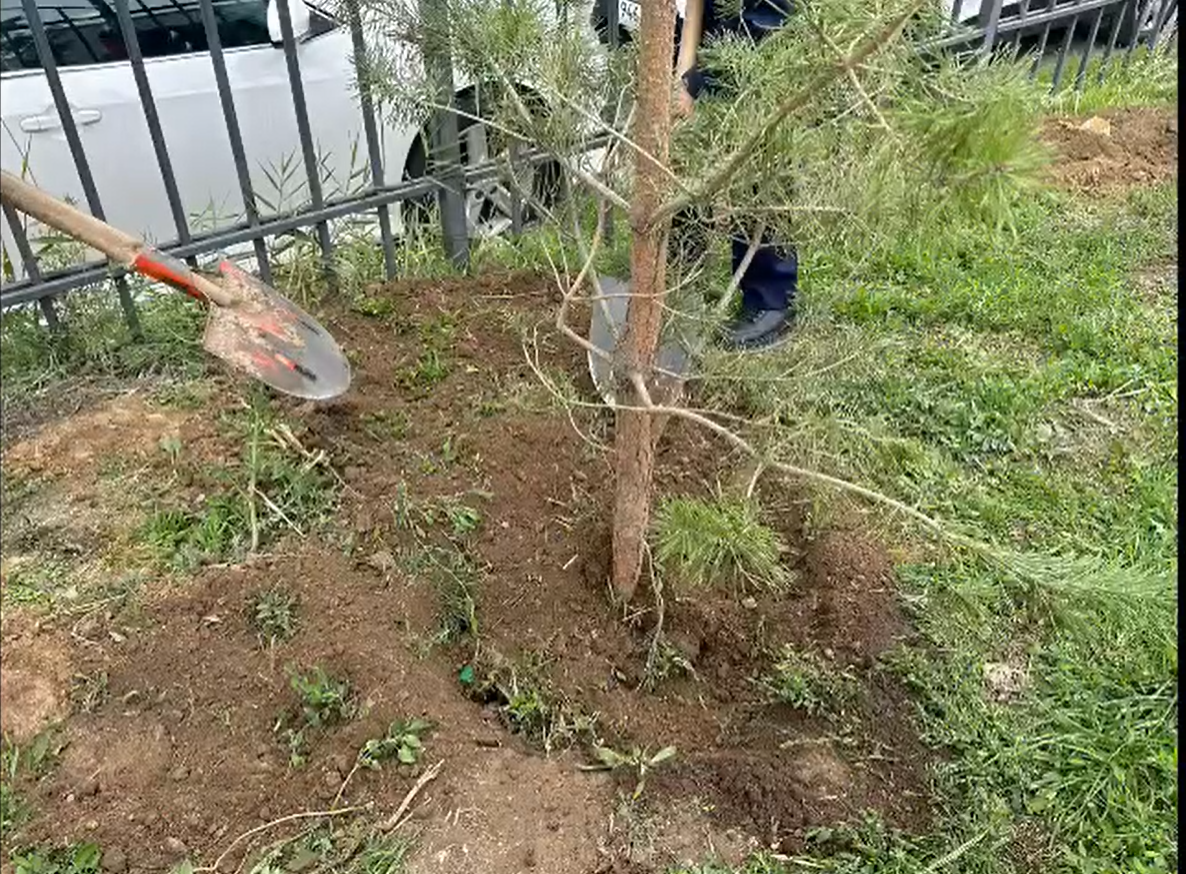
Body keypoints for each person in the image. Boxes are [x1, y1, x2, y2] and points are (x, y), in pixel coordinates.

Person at [672, 0, 799, 351]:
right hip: (715, 24)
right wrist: (685, 74)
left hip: (763, 25)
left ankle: (771, 298)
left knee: (759, 149)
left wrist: (696, 83)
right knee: (685, 147)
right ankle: (680, 281)